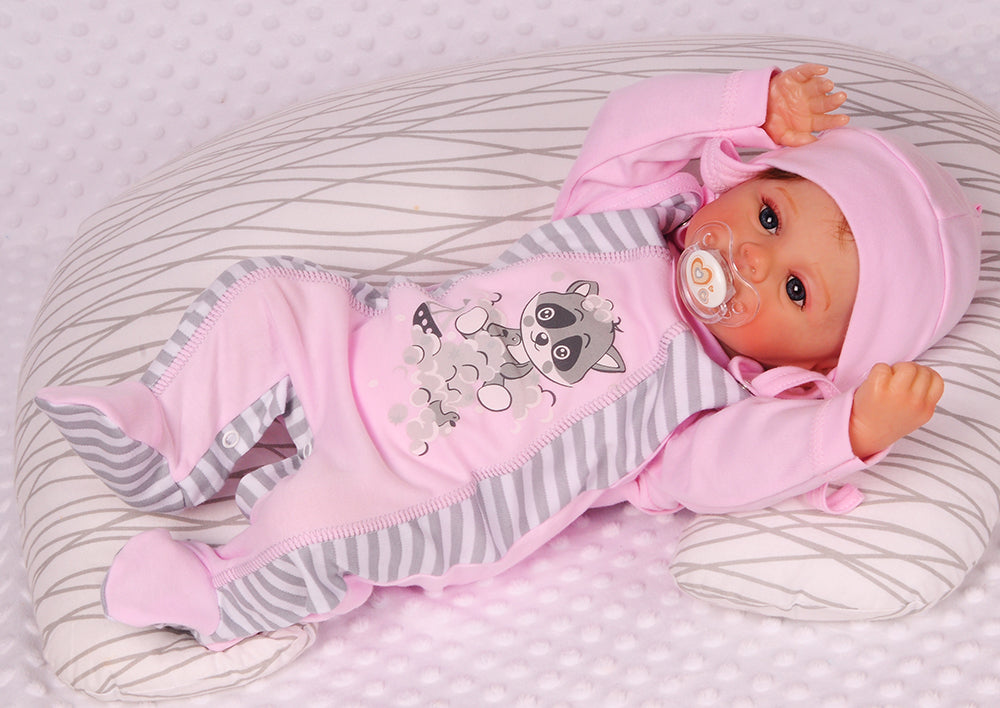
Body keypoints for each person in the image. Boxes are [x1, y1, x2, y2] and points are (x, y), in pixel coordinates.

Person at [35, 64, 981, 648]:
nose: (755, 261)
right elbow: (626, 122)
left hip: (429, 490)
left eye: (798, 293)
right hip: (367, 344)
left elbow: (734, 471)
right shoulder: (625, 216)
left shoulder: (705, 404)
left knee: (314, 524)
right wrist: (745, 104)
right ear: (737, 179)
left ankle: (214, 591)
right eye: (770, 215)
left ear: (818, 362)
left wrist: (845, 432)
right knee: (270, 297)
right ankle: (166, 438)